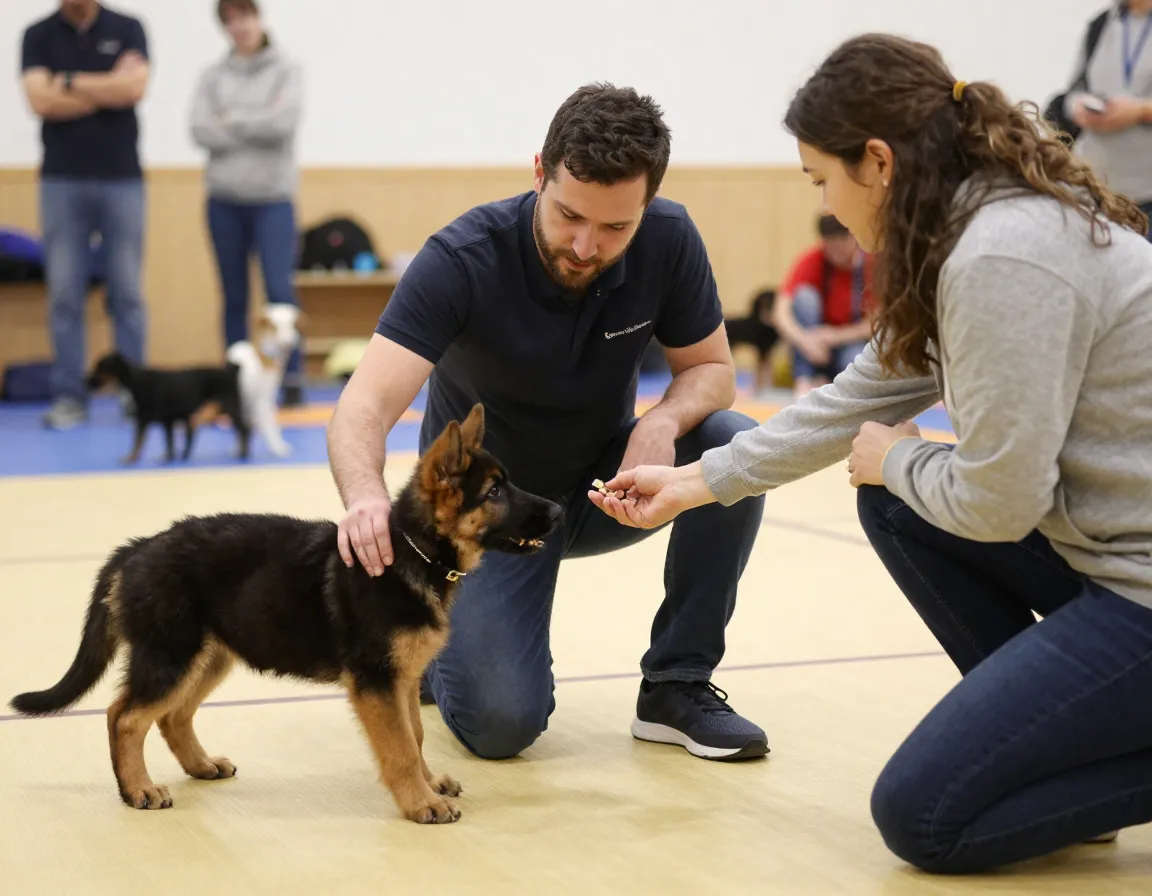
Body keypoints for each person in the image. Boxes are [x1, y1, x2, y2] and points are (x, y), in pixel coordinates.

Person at [590, 33, 1152, 875]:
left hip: (1138, 587)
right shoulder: (966, 231)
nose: (825, 199)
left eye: (821, 177)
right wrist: (694, 482)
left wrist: (895, 459)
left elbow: (1000, 502)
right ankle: (1070, 755)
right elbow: (853, 403)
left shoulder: (1002, 254)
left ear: (879, 162)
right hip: (1109, 556)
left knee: (921, 818)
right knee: (892, 502)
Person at [326, 83, 768, 763]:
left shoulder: (670, 237)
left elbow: (713, 369)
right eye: (569, 216)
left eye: (615, 227)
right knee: (502, 725)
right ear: (540, 171)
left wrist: (664, 419)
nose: (586, 246)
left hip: (606, 489)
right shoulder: (461, 260)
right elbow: (364, 406)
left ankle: (677, 685)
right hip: (489, 519)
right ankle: (440, 658)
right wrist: (363, 497)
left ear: (646, 205)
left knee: (733, 442)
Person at [19, 0, 151, 430]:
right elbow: (40, 100)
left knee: (127, 293)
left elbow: (133, 91)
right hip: (61, 181)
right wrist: (108, 85)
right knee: (64, 295)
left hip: (122, 180)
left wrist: (71, 81)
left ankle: (135, 396)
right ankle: (69, 399)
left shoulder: (128, 28)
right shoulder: (38, 34)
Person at [190, 0, 305, 406]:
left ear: (259, 18)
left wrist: (230, 119)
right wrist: (256, 117)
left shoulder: (286, 70)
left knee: (279, 294)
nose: (240, 26)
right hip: (223, 201)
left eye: (246, 16)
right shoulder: (212, 77)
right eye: (231, 20)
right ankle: (235, 385)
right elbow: (200, 130)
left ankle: (289, 380)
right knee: (233, 295)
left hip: (273, 201)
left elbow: (283, 124)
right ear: (224, 27)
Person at [1061, 0, 1152, 238]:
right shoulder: (1101, 24)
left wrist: (1140, 111)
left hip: (1146, 190)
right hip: (1096, 188)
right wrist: (1078, 107)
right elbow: (1074, 90)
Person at [773, 214, 873, 397]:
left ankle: (835, 384)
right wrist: (805, 341)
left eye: (841, 241)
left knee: (856, 358)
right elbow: (781, 312)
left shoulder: (870, 264)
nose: (836, 249)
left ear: (853, 237)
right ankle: (804, 380)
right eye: (829, 242)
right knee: (804, 297)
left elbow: (881, 324)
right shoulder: (814, 258)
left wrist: (835, 336)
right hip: (814, 347)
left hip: (849, 343)